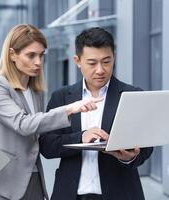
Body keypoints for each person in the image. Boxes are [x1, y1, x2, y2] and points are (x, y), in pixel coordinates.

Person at [0, 24, 103, 200]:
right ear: (12, 54)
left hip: (34, 176)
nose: (38, 62)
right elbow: (23, 124)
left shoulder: (34, 90)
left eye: (41, 55)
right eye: (31, 55)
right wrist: (70, 108)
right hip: (5, 183)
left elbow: (41, 131)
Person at [39, 27, 153, 200]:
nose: (100, 70)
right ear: (77, 61)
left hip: (121, 193)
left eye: (106, 61)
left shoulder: (132, 95)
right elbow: (47, 145)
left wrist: (129, 157)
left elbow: (146, 147)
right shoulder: (62, 97)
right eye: (92, 63)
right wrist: (81, 137)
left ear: (113, 58)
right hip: (71, 194)